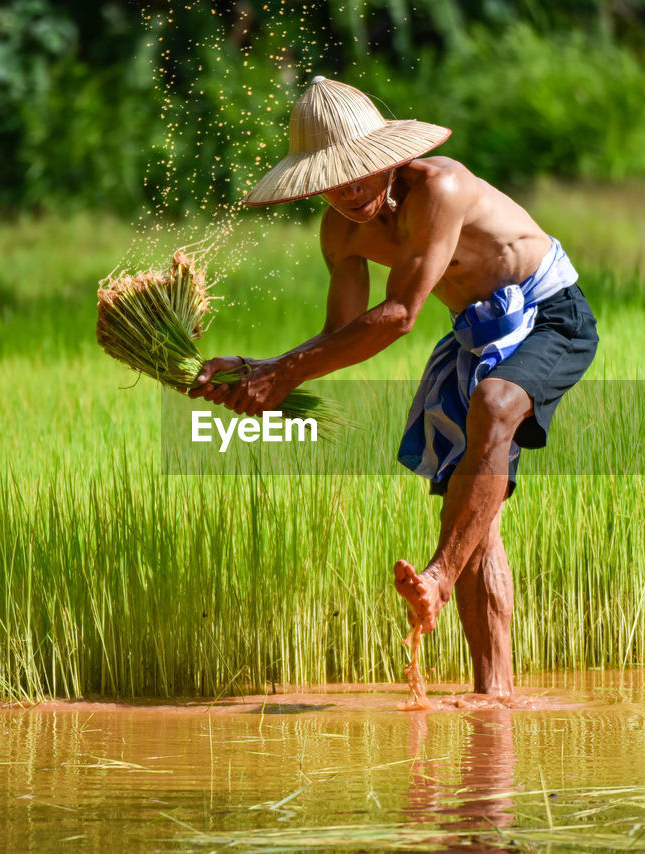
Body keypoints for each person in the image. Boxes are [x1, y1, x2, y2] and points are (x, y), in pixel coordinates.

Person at [190, 76, 598, 696]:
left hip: (551, 316)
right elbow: (341, 332)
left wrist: (284, 374)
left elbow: (402, 314)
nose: (349, 191)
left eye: (358, 171)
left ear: (388, 156)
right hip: (475, 336)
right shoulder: (341, 234)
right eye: (331, 180)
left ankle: (436, 578)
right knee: (474, 514)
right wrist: (258, 370)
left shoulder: (441, 187)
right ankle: (495, 696)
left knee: (495, 404)